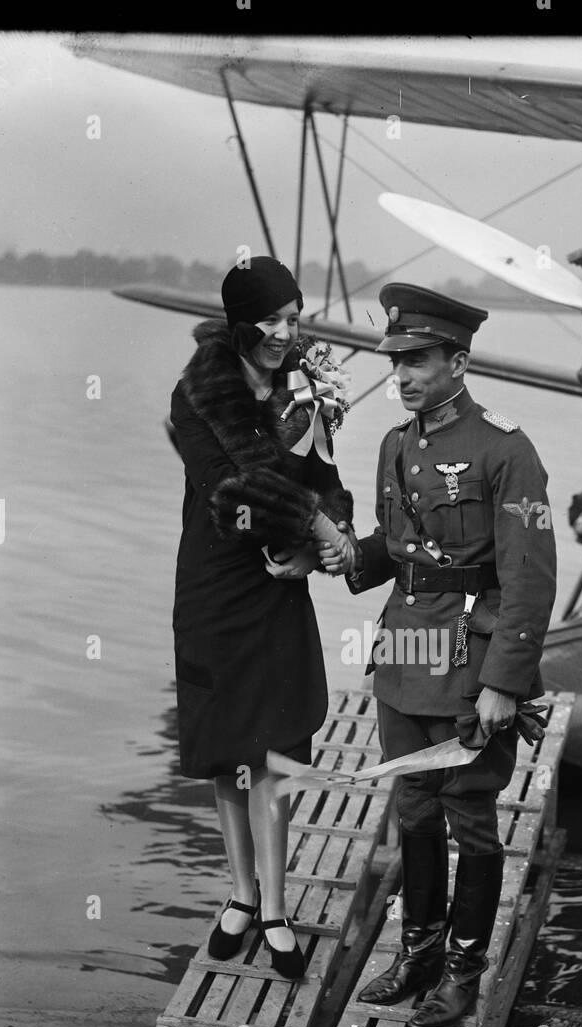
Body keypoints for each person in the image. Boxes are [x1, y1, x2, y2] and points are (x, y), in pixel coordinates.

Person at [321, 283, 557, 1027]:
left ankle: (461, 972)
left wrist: (502, 686)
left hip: (465, 666)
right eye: (397, 362)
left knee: (470, 820)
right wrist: (338, 556)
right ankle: (418, 951)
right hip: (402, 657)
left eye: (419, 360)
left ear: (458, 361)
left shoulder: (507, 451)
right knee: (413, 812)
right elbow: (401, 548)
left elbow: (530, 581)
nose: (403, 375)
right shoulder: (397, 443)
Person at [168, 256, 356, 980]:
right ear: (239, 324)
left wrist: (322, 543)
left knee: (274, 748)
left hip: (277, 583)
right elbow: (232, 496)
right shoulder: (196, 396)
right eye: (272, 320)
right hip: (216, 583)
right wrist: (318, 525)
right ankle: (239, 897)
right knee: (227, 751)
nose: (286, 332)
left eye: (294, 318)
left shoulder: (302, 388)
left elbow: (328, 483)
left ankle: (275, 909)